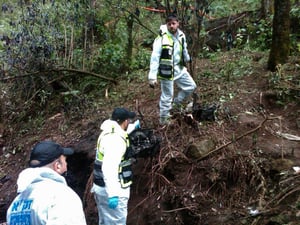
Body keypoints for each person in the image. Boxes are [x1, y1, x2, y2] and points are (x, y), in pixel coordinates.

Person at [6, 140, 87, 225]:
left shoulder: (15, 204)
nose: (66, 166)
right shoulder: (62, 196)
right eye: (65, 161)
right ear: (57, 166)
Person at [148, 13, 197, 125]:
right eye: (169, 24)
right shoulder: (161, 38)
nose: (171, 26)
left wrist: (187, 58)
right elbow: (155, 57)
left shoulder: (181, 36)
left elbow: (184, 49)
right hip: (166, 72)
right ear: (166, 24)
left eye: (174, 23)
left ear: (178, 24)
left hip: (179, 69)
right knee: (167, 96)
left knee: (191, 86)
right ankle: (164, 120)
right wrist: (152, 76)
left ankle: (176, 105)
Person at [91, 107, 136, 225]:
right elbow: (109, 168)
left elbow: (122, 132)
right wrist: (113, 195)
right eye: (129, 121)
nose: (129, 123)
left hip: (101, 186)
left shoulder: (109, 131)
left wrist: (134, 127)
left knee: (106, 221)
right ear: (125, 121)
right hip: (113, 189)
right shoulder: (115, 141)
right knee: (116, 222)